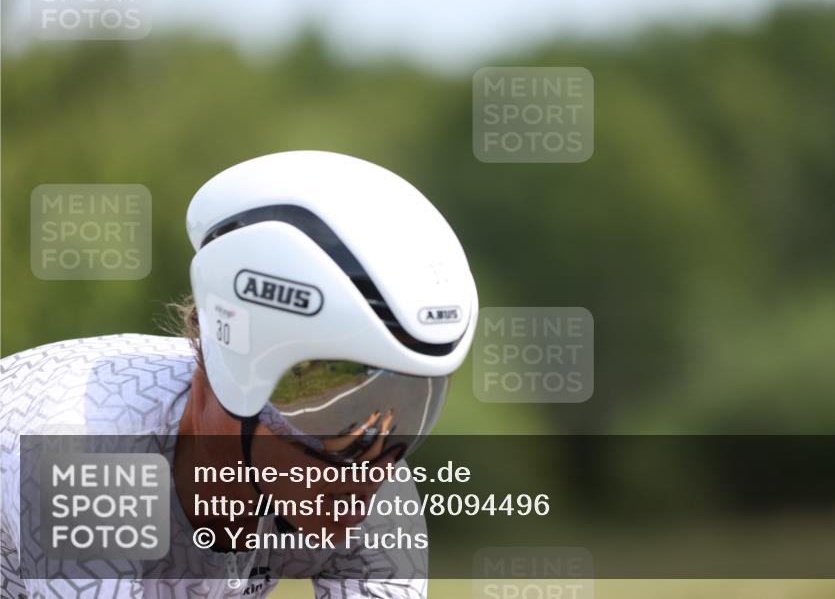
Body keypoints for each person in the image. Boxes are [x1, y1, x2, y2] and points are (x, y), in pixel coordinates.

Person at [0, 151, 479, 598]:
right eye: (327, 410)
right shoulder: (86, 448)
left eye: (416, 407)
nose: (373, 464)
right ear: (234, 375)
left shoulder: (367, 491)